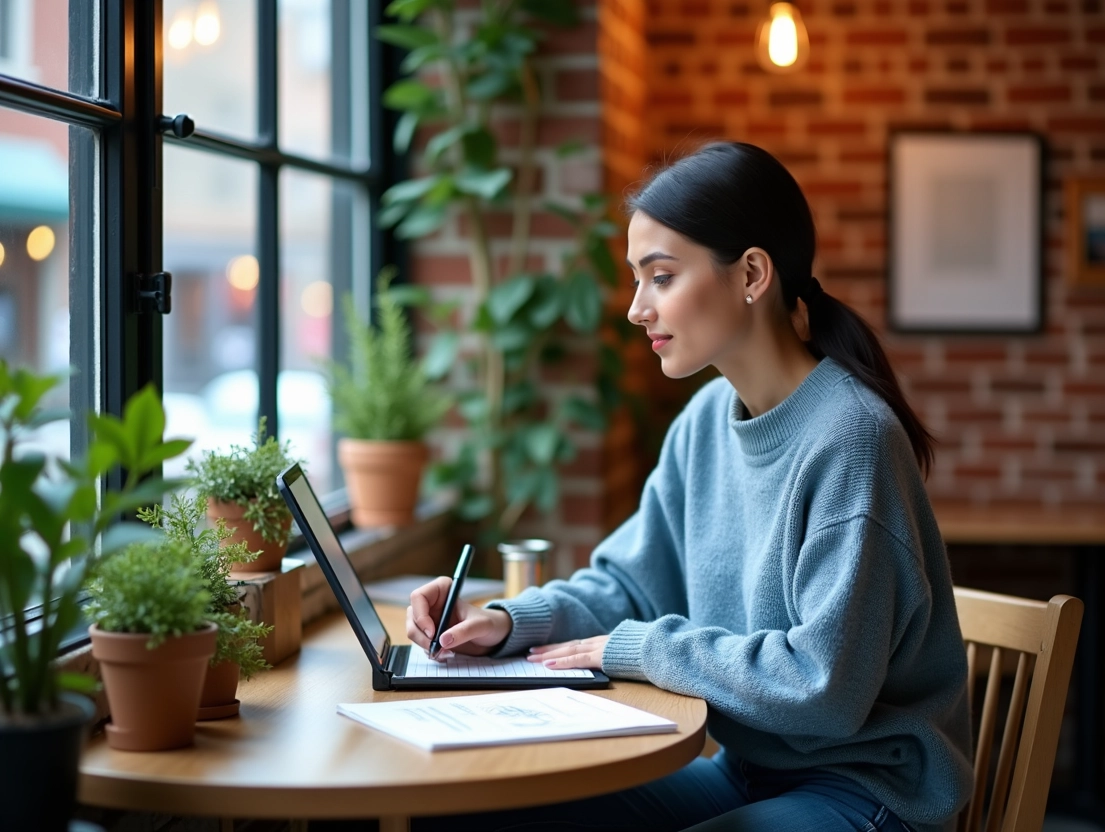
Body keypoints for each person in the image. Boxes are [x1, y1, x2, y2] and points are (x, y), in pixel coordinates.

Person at [406, 141, 973, 832]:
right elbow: (630, 585)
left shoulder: (852, 440)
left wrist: (645, 647)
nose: (637, 309)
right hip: (749, 772)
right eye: (637, 280)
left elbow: (824, 690)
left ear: (752, 274)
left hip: (866, 790)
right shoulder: (705, 420)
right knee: (483, 808)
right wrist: (505, 623)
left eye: (662, 277)